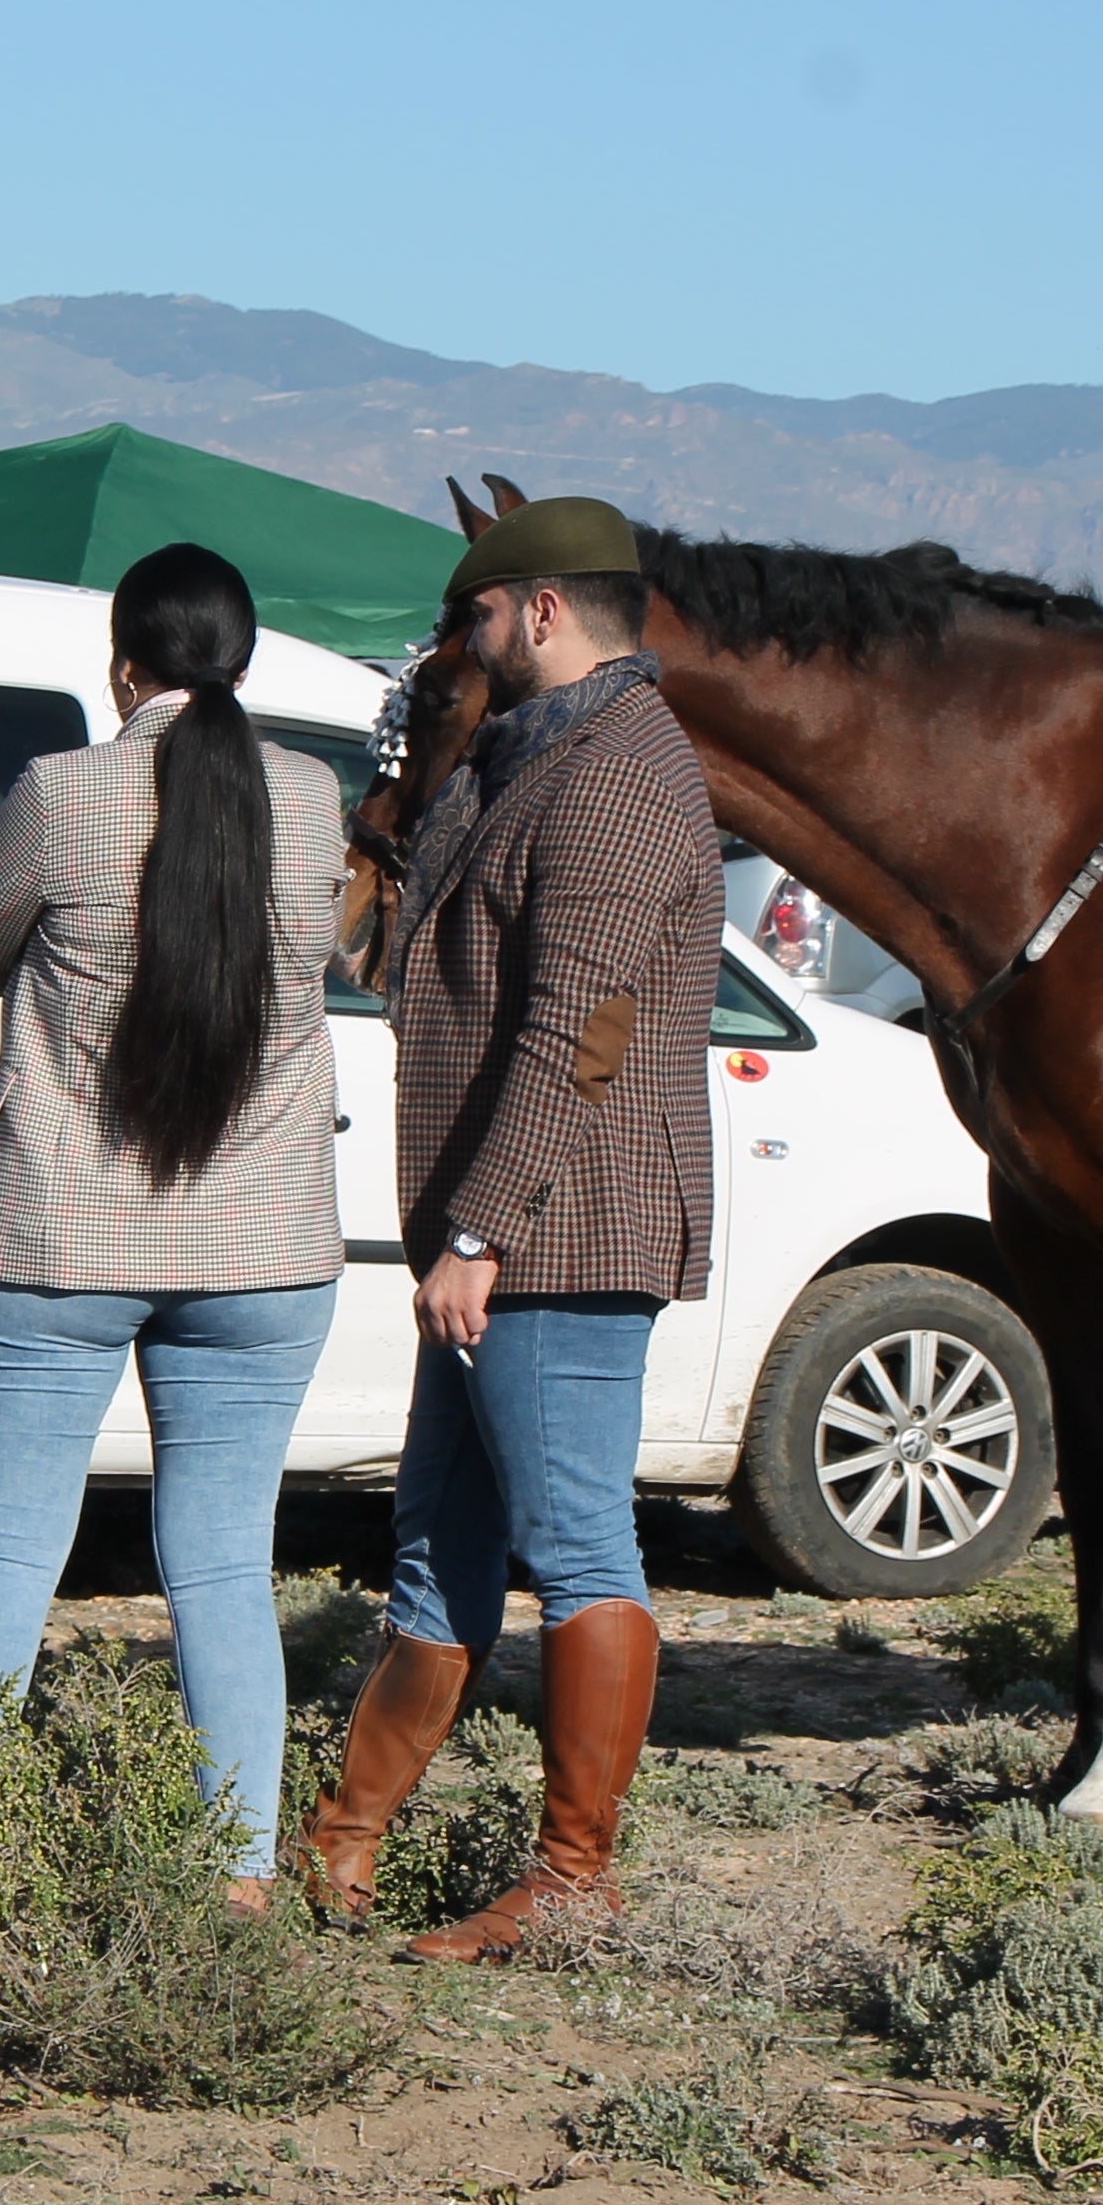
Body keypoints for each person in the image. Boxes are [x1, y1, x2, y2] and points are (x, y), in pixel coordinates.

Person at [300, 495, 719, 1962]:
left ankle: (573, 1883)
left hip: (561, 1229)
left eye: (472, 618)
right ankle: (341, 1850)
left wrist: (480, 1227)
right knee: (438, 1546)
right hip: (502, 1229)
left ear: (541, 610)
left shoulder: (618, 775)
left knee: (578, 1547)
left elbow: (583, 1029)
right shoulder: (528, 754)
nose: (458, 646)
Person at [0, 542, 348, 1900]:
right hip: (264, 1246)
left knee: (4, 1551)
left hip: (61, 1234)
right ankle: (237, 1876)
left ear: (123, 666)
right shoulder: (312, 798)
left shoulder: (62, 792)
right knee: (225, 1564)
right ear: (244, 659)